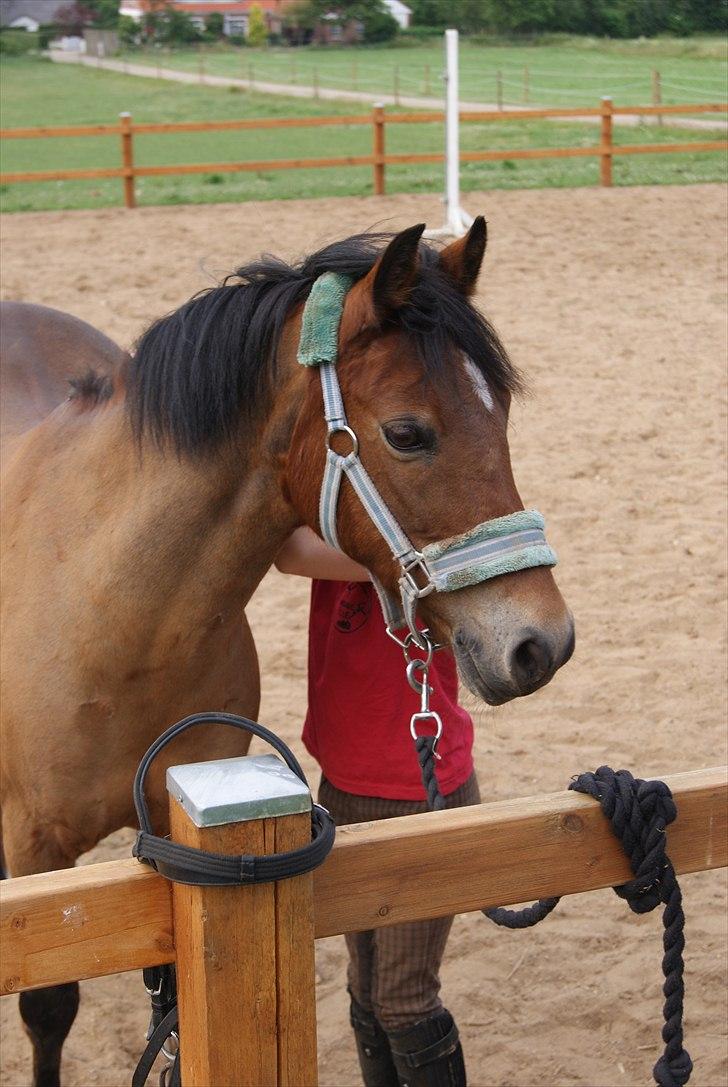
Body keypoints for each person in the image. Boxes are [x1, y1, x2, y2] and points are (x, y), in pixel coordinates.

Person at [275, 526, 480, 1087]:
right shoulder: (347, 527)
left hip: (422, 793)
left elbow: (292, 553)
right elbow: (288, 548)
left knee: (404, 1000)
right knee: (365, 990)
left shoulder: (432, 536)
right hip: (342, 786)